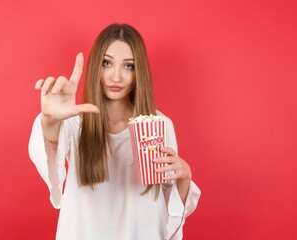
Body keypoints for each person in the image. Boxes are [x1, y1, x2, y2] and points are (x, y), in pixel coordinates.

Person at [28, 23, 201, 240]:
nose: (116, 77)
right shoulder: (76, 124)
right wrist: (50, 118)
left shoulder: (159, 125)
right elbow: (50, 146)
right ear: (95, 67)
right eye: (107, 63)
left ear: (140, 71)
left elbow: (169, 210)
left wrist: (184, 177)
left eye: (128, 66)